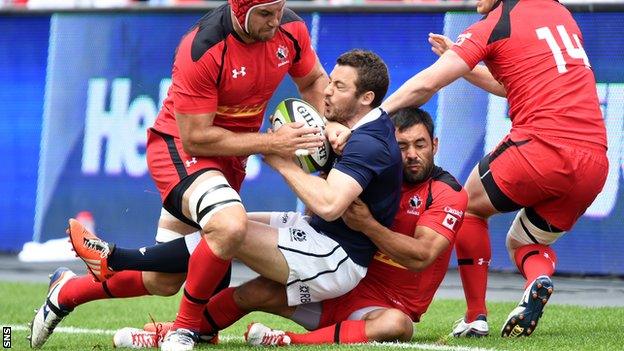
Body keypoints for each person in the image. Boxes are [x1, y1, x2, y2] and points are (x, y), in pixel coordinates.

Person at [38, 49, 403, 351]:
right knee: (185, 259)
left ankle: (120, 262)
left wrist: (281, 162)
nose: (326, 91)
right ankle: (71, 291)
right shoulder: (361, 126)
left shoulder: (368, 142)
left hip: (333, 259)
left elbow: (328, 204)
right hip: (318, 233)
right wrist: (330, 130)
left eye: (338, 87)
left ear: (366, 98)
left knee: (231, 228)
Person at [29, 0, 329, 348]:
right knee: (230, 224)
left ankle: (67, 292)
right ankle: (182, 329)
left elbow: (313, 79)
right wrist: (271, 143)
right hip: (181, 151)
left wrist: (329, 127)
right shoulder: (202, 47)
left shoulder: (290, 30)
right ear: (238, 10)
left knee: (163, 279)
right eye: (265, 14)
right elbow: (196, 137)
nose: (276, 21)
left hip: (231, 157)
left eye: (279, 10)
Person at [111, 106, 468, 348]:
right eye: (402, 145)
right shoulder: (380, 172)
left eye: (420, 145)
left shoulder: (447, 192)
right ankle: (177, 330)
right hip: (337, 282)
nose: (411, 154)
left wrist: (369, 225)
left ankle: (284, 340)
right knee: (240, 258)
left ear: (435, 145)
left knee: (398, 326)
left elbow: (422, 256)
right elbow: (329, 193)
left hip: (376, 303)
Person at [381, 0, 608, 338]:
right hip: (594, 160)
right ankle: (537, 280)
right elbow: (512, 84)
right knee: (523, 242)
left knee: (467, 206)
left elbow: (426, 85)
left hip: (542, 146)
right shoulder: (560, 12)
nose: (475, 3)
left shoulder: (495, 23)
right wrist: (462, 62)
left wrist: (375, 118)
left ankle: (475, 317)